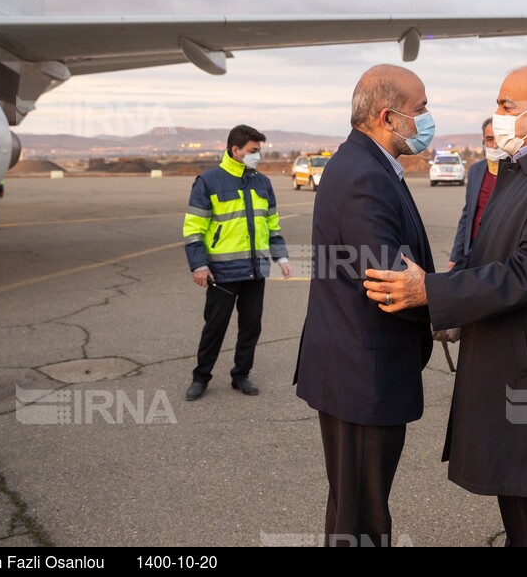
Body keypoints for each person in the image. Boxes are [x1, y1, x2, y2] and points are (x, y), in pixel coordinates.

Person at [362, 64, 527, 547]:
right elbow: (492, 257)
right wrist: (453, 301)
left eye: (506, 105)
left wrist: (434, 293)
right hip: (520, 364)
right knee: (522, 500)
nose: (497, 115)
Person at [293, 64, 436, 547]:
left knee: (354, 506)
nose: (426, 118)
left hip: (357, 368)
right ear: (387, 116)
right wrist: (451, 306)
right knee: (362, 516)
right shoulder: (363, 175)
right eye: (420, 110)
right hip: (362, 374)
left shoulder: (366, 164)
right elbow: (388, 281)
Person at [182, 125, 291, 402]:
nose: (258, 156)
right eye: (253, 151)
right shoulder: (208, 181)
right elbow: (194, 228)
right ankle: (200, 377)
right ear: (236, 150)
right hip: (222, 273)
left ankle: (241, 374)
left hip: (255, 271)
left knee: (251, 327)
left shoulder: (263, 183)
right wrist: (199, 265)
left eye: (259, 151)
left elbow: (272, 225)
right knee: (214, 328)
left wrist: (281, 256)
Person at [448, 117, 506, 270]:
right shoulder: (476, 171)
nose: (494, 145)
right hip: (473, 254)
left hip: (502, 258)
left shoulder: (519, 172)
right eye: (489, 139)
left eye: (499, 139)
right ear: (483, 141)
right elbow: (467, 214)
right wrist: (456, 255)